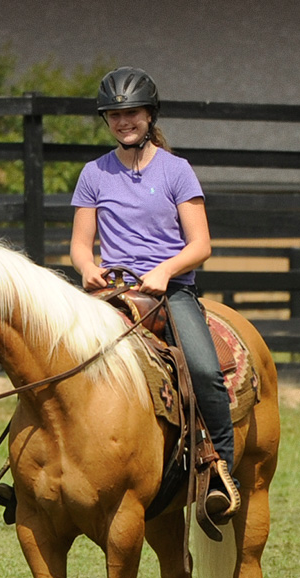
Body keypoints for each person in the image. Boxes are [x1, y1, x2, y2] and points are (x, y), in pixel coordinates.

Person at [69, 66, 240, 519]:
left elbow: (201, 244)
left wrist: (165, 271)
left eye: (133, 113)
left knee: (204, 372)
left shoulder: (177, 171)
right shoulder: (93, 174)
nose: (124, 121)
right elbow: (80, 247)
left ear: (149, 115)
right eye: (115, 114)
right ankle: (24, 468)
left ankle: (221, 470)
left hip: (169, 293)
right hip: (115, 292)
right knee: (53, 357)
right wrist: (88, 269)